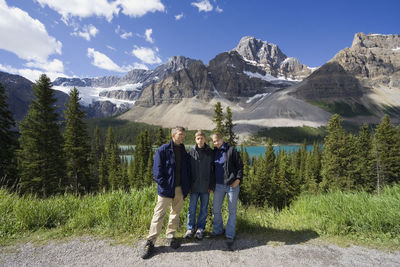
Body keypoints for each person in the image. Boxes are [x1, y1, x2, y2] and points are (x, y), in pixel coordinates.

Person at [141, 126, 191, 259]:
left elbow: (186, 170)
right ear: (173, 135)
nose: (182, 137)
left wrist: (186, 185)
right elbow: (157, 171)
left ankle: (170, 236)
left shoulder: (183, 150)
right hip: (166, 190)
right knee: (158, 215)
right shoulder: (163, 150)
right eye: (180, 134)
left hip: (180, 189)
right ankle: (150, 242)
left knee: (175, 213)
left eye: (183, 135)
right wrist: (165, 185)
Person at [211, 132, 243, 251]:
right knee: (216, 209)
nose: (216, 142)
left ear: (222, 139)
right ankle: (218, 230)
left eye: (218, 140)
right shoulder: (214, 152)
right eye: (214, 141)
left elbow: (240, 166)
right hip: (218, 186)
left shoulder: (231, 150)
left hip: (232, 185)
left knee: (232, 211)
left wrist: (238, 180)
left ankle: (230, 235)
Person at [184, 130, 215, 240]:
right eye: (198, 138)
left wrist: (211, 186)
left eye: (202, 138)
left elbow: (213, 170)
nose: (200, 140)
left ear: (205, 139)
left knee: (203, 208)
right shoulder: (191, 152)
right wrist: (188, 185)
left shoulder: (210, 152)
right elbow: (187, 170)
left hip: (206, 187)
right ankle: (190, 228)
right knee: (191, 208)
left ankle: (200, 229)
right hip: (193, 187)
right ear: (195, 140)